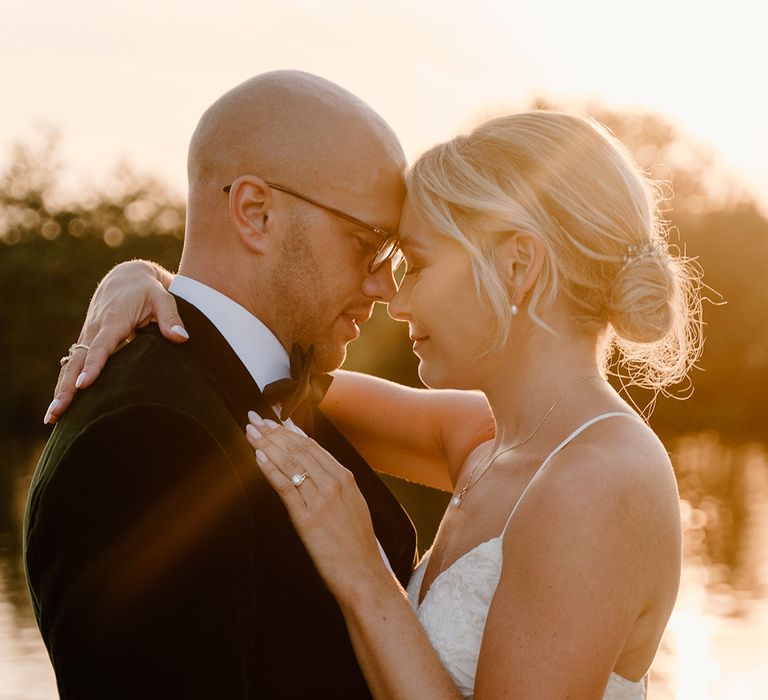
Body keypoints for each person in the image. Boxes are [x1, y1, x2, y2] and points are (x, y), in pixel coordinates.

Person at [48, 111, 701, 698]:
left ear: (515, 267)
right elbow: (246, 372)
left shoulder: (599, 484)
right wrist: (143, 281)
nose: (396, 298)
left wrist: (362, 573)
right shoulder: (485, 438)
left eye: (414, 263)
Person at [24, 70, 441, 699]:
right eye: (368, 243)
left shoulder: (257, 384)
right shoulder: (146, 440)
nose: (384, 286)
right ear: (255, 213)